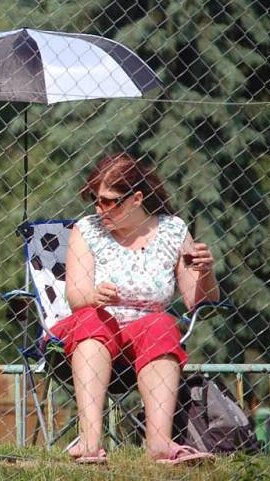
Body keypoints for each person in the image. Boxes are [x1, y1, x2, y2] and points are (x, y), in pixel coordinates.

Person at [52, 153, 219, 465]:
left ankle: (159, 444)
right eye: (94, 199)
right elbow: (75, 295)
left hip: (144, 336)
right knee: (90, 319)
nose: (98, 209)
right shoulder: (86, 230)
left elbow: (199, 302)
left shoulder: (173, 231)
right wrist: (94, 295)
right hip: (93, 332)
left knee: (161, 324)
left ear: (136, 198)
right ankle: (89, 441)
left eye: (108, 201)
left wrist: (206, 271)